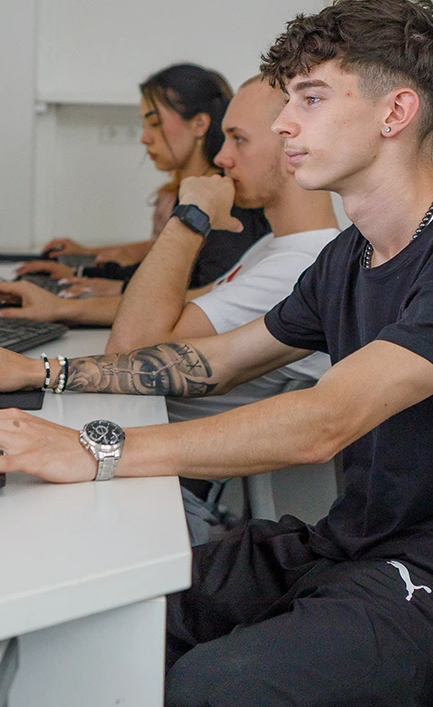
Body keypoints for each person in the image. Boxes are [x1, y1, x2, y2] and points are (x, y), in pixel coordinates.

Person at [0, 0, 433, 706]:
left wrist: (94, 449)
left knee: (215, 687)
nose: (284, 124)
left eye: (312, 97)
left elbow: (322, 422)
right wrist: (39, 371)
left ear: (394, 114)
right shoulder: (348, 259)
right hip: (352, 547)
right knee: (104, 607)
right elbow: (218, 361)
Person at [93, 75, 341, 542]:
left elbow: (128, 353)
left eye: (239, 140)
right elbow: (167, 309)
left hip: (168, 488)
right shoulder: (275, 246)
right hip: (149, 459)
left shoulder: (299, 267)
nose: (222, 158)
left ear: (294, 146)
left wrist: (192, 216)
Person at [25, 64, 270, 295]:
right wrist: (83, 273)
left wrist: (73, 303)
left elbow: (203, 296)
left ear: (199, 124)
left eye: (154, 123)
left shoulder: (224, 201)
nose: (144, 138)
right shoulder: (190, 195)